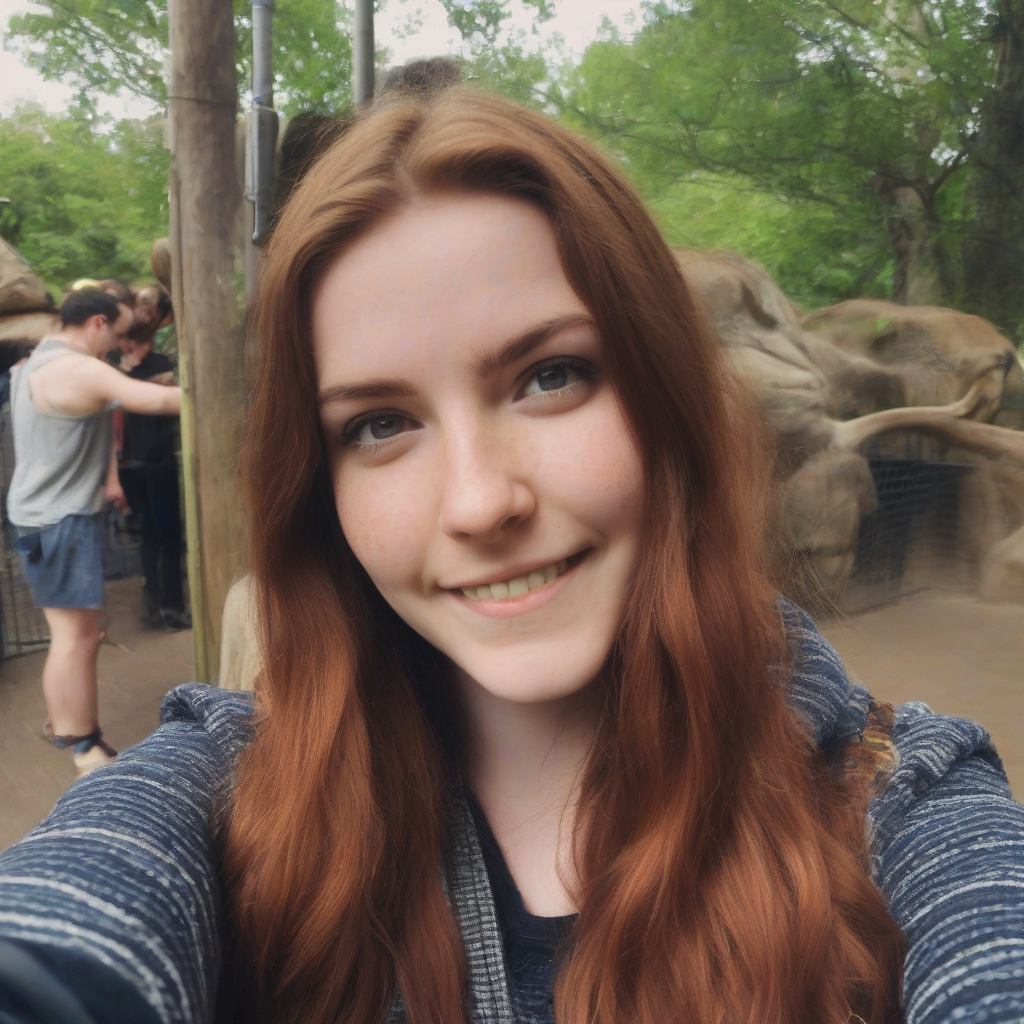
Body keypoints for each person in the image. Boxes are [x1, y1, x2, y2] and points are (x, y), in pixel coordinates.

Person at [0, 89, 1022, 1024]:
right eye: (380, 422)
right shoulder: (226, 793)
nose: (482, 500)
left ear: (667, 401)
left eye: (551, 375)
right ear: (319, 488)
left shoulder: (902, 796)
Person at [4, 289, 182, 777]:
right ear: (98, 323)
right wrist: (220, 390)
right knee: (75, 636)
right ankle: (83, 747)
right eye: (120, 333)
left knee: (78, 631)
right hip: (58, 522)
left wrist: (110, 479)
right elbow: (154, 397)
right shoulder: (74, 367)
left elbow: (94, 416)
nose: (120, 344)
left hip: (40, 519)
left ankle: (62, 722)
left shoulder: (36, 360)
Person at [116, 285, 188, 629]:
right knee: (168, 537)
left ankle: (153, 606)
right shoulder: (161, 366)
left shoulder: (116, 372)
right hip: (157, 465)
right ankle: (172, 607)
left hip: (129, 467)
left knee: (150, 536)